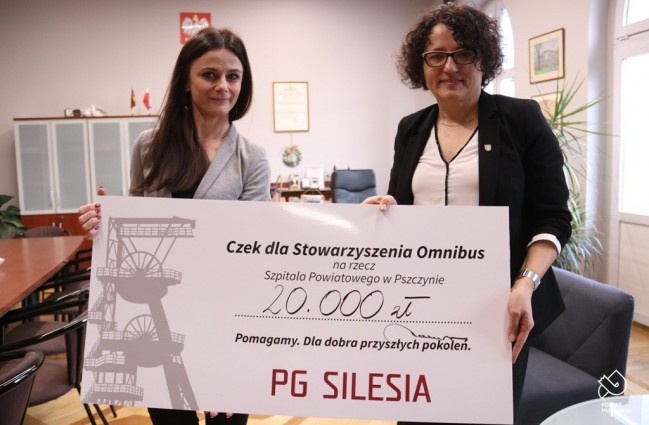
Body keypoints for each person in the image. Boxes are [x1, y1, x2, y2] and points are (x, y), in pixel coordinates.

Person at [363, 4, 572, 424]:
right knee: (418, 411)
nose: (449, 66)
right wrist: (386, 210)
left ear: (484, 59)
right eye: (436, 55)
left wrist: (526, 283)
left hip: (498, 309)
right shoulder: (410, 128)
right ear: (421, 64)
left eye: (463, 53)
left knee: (484, 414)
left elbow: (553, 217)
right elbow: (402, 201)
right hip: (418, 307)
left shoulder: (521, 120)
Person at [78, 27, 270, 425]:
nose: (223, 86)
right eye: (209, 74)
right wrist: (104, 223)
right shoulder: (149, 147)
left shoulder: (252, 159)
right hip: (157, 314)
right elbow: (134, 232)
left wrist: (231, 352)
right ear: (186, 79)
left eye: (233, 76)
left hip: (225, 317)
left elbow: (252, 255)